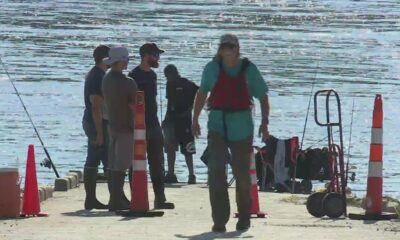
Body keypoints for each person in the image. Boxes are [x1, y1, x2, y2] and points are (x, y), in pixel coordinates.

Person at [192, 34, 270, 232]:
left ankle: (244, 217)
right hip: (217, 126)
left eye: (231, 46)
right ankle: (219, 220)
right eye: (224, 46)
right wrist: (194, 120)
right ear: (219, 49)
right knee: (216, 171)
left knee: (242, 175)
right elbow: (202, 93)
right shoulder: (212, 68)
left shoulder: (248, 69)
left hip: (242, 128)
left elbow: (262, 96)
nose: (227, 49)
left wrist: (265, 123)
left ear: (237, 49)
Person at [128, 43, 174, 209]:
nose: (158, 58)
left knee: (158, 162)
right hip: (139, 126)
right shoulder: (133, 76)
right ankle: (136, 197)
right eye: (156, 55)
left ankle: (160, 198)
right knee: (136, 164)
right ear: (146, 55)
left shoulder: (153, 76)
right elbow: (129, 103)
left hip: (154, 125)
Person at [102, 46, 137, 211]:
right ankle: (116, 200)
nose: (127, 62)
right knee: (122, 164)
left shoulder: (106, 79)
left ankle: (114, 198)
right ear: (121, 61)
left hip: (112, 125)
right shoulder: (127, 82)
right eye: (126, 60)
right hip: (125, 127)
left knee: (114, 163)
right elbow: (136, 104)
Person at [82, 44, 110, 210]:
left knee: (97, 157)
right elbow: (96, 105)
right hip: (95, 122)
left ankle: (93, 198)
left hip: (93, 121)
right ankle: (92, 198)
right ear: (105, 59)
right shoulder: (97, 76)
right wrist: (99, 131)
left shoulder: (97, 74)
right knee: (99, 156)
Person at [162, 64, 199, 184]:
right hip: (185, 120)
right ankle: (190, 175)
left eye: (167, 76)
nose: (167, 78)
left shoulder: (171, 84)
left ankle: (173, 173)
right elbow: (198, 91)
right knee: (185, 148)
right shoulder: (188, 83)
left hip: (174, 120)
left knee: (172, 147)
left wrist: (166, 119)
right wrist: (191, 108)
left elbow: (170, 103)